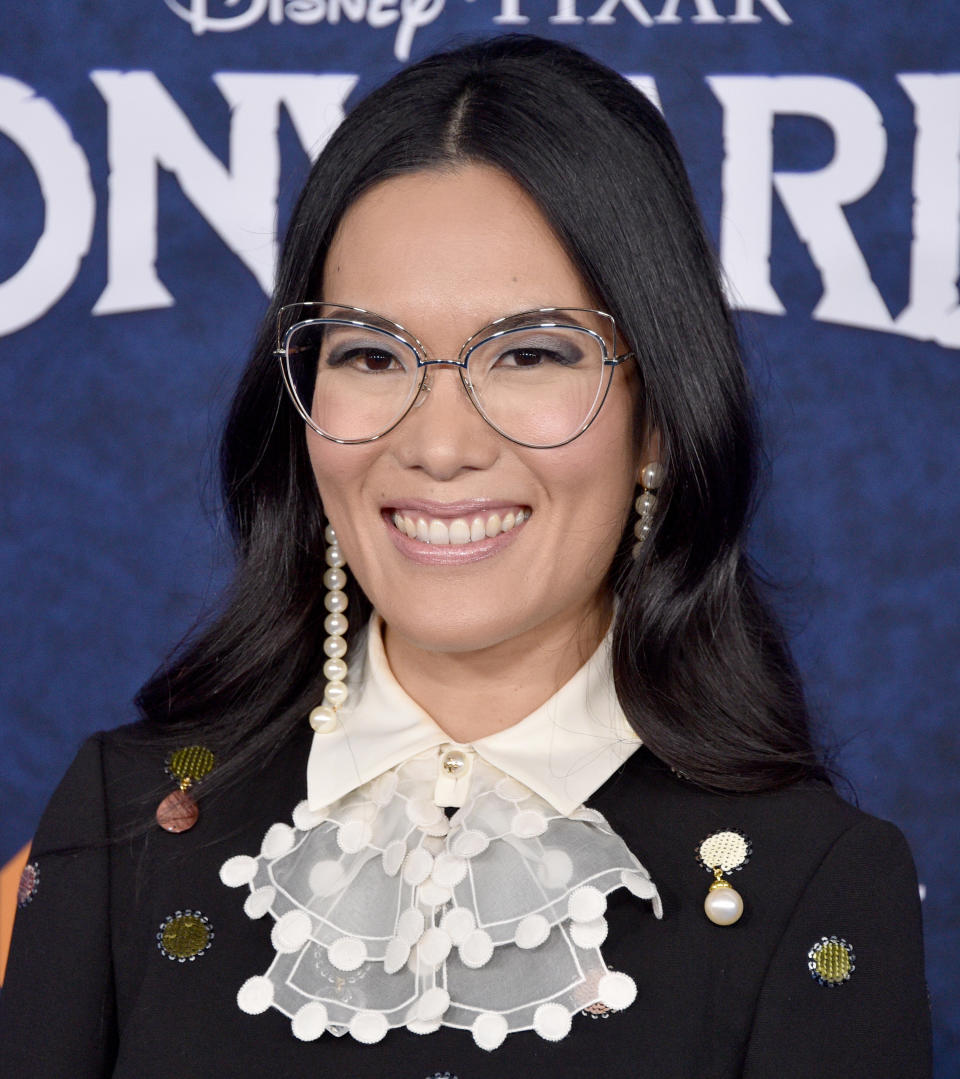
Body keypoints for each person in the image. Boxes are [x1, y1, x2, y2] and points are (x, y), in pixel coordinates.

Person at [0, 35, 931, 1077]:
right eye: (368, 353)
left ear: (661, 412)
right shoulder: (128, 822)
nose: (438, 445)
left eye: (530, 353)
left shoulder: (813, 882)